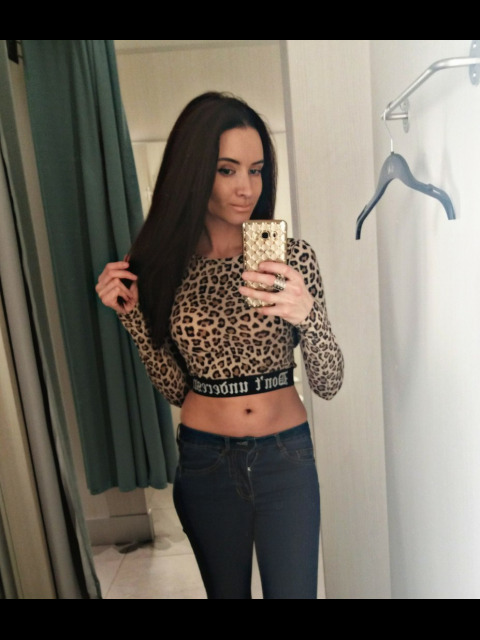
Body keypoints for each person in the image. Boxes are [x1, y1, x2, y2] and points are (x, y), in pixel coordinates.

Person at [95, 91, 344, 599]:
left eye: (256, 170)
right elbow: (175, 389)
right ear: (192, 171)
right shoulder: (165, 267)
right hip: (205, 460)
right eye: (227, 170)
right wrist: (133, 318)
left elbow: (329, 382)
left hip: (285, 457)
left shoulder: (292, 259)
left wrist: (309, 316)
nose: (246, 187)